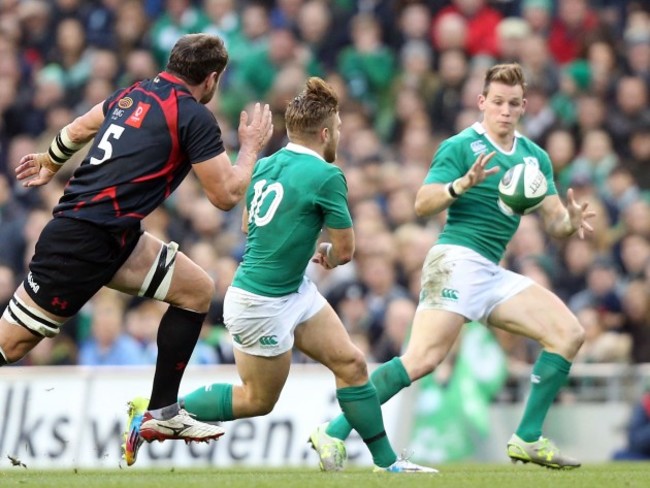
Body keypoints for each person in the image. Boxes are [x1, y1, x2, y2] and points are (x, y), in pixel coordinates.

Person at [125, 77, 436, 473]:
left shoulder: (267, 164)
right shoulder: (327, 175)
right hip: (261, 303)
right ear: (325, 133)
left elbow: (246, 226)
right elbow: (345, 251)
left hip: (289, 290)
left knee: (352, 365)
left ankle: (387, 464)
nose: (338, 134)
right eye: (338, 128)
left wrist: (292, 243)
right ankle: (158, 415)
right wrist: (321, 251)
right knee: (258, 400)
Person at [0, 33, 273, 461]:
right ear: (212, 78)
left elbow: (81, 126)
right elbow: (224, 195)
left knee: (196, 290)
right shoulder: (193, 116)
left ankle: (163, 411)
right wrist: (251, 148)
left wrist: (51, 161)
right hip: (80, 241)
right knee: (9, 346)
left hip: (117, 237)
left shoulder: (135, 93)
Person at [310, 63, 595, 470]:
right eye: (497, 102)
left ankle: (527, 437)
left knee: (568, 333)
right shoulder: (461, 146)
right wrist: (461, 185)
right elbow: (422, 203)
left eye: (513, 103)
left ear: (524, 107)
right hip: (456, 259)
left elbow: (553, 221)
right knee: (422, 359)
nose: (505, 110)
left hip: (492, 271)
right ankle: (333, 430)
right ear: (482, 102)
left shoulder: (535, 158)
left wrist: (569, 221)